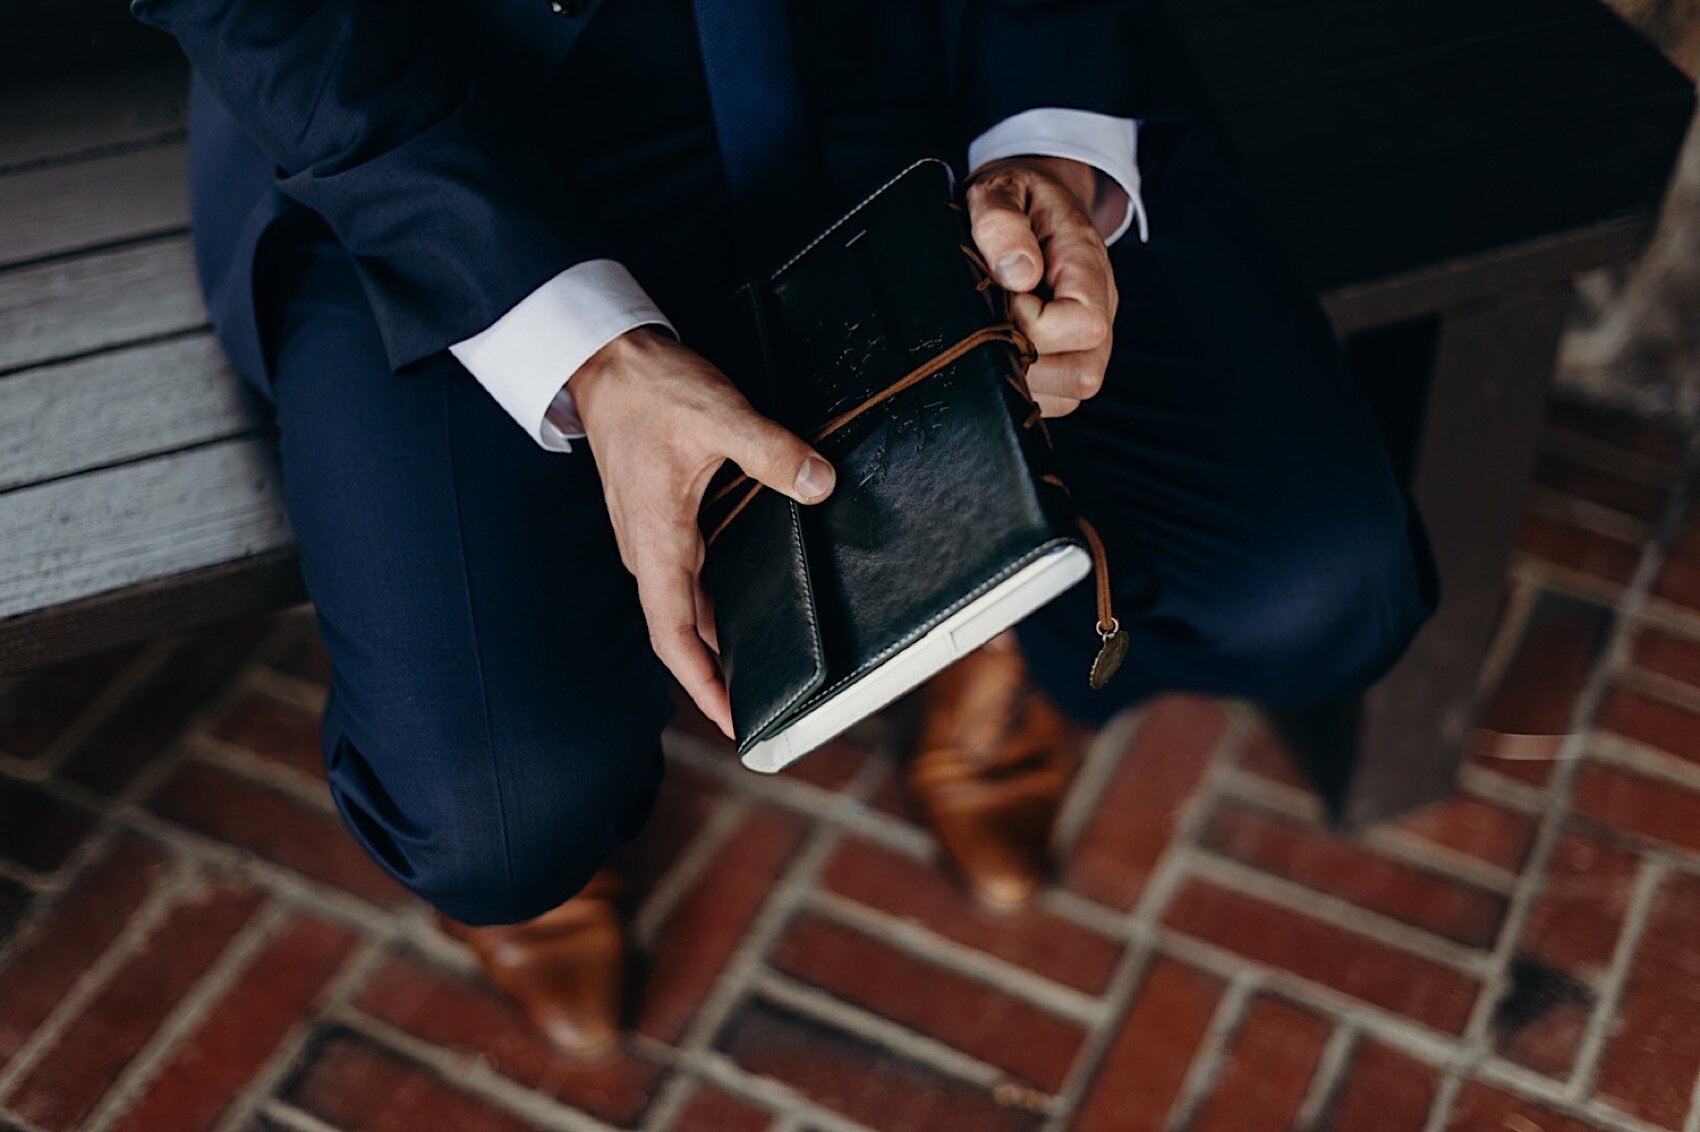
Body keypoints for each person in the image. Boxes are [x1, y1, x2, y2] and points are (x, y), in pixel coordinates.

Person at [132, 0, 1435, 1055]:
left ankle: (983, 591)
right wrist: (582, 347)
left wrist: (1048, 146)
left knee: (1319, 582)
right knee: (495, 813)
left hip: (903, 49)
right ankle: (563, 864)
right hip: (445, 113)